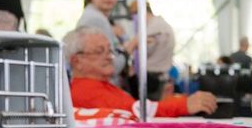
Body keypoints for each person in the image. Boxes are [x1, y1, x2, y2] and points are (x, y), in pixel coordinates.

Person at [64, 27, 216, 122]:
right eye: (99, 51)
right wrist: (184, 104)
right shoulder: (85, 92)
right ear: (77, 61)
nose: (109, 57)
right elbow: (138, 113)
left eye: (109, 50)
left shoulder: (99, 87)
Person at [78, 0, 135, 89]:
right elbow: (109, 67)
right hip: (99, 89)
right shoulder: (95, 20)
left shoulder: (100, 18)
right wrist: (131, 46)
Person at [129, 0, 175, 98]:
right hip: (159, 78)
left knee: (149, 111)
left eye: (134, 16)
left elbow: (143, 50)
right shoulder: (162, 24)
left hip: (152, 81)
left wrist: (130, 44)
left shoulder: (153, 29)